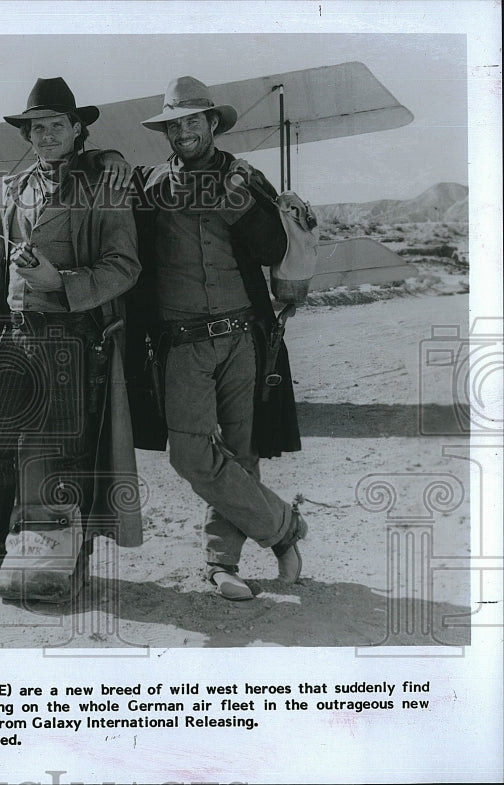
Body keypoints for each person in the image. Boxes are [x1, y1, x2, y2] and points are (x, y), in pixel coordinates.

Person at [96, 76, 306, 601]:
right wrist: (108, 156)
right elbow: (99, 171)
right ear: (167, 131)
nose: (184, 131)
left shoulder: (243, 177)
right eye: (175, 124)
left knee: (242, 452)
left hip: (244, 337)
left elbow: (271, 248)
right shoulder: (148, 185)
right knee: (189, 455)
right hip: (182, 342)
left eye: (193, 120)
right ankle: (282, 526)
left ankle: (221, 563)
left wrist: (240, 207)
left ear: (212, 123)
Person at [0, 77, 142, 599]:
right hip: (16, 342)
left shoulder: (105, 185)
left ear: (77, 129)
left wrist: (64, 283)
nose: (45, 134)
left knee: (65, 455)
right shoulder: (21, 186)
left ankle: (70, 565)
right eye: (36, 127)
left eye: (56, 125)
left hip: (73, 340)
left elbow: (124, 266)